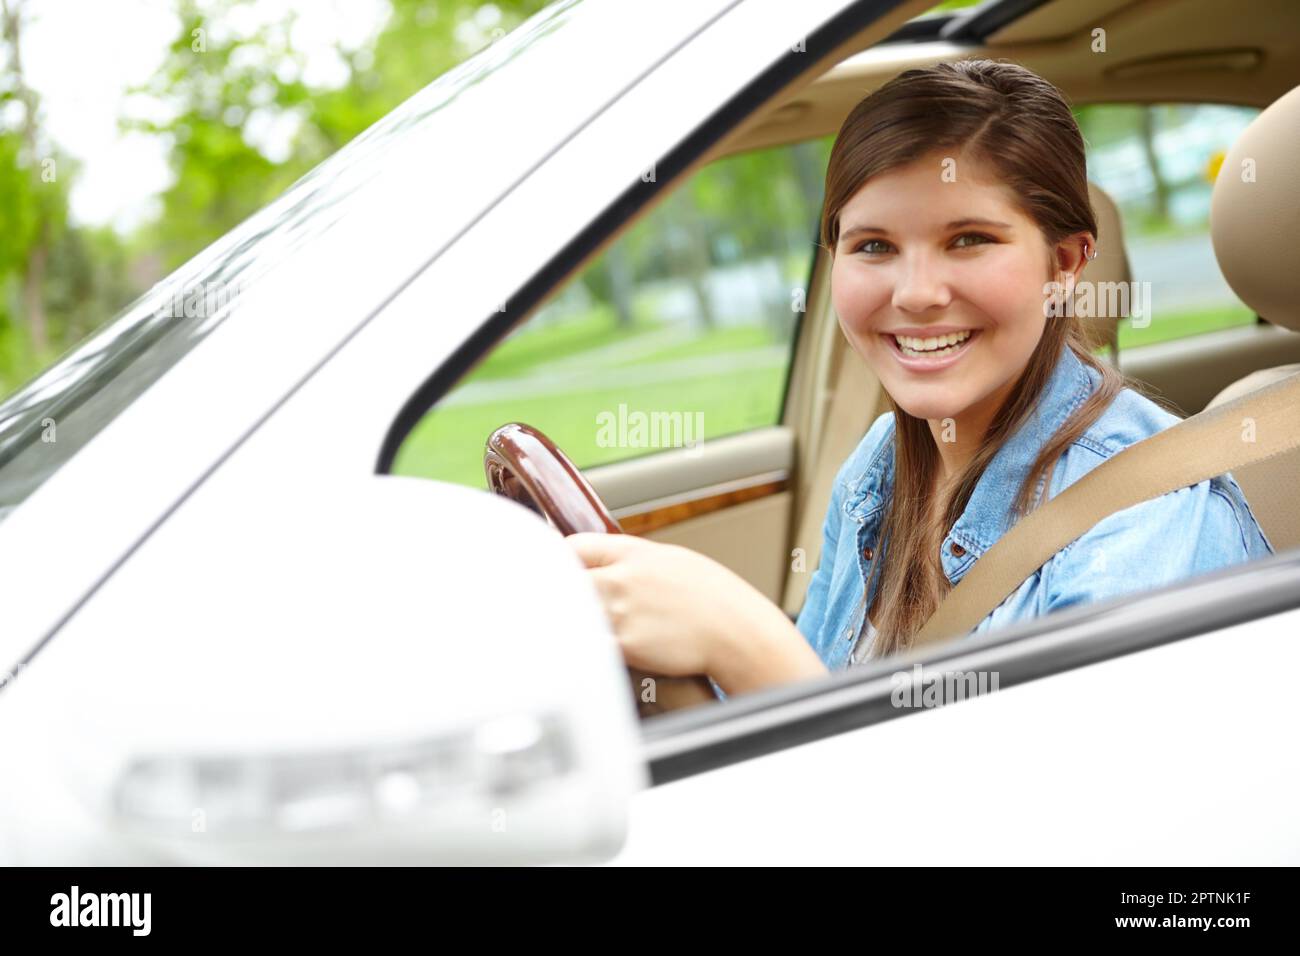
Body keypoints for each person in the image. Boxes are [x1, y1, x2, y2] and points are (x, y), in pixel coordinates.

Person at [565, 59, 1273, 701]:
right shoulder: (881, 463)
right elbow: (797, 714)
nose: (916, 293)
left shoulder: (1151, 528)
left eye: (968, 240)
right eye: (873, 246)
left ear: (1065, 265)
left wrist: (741, 637)